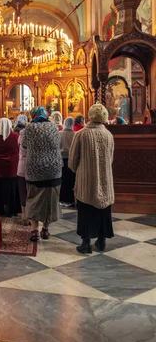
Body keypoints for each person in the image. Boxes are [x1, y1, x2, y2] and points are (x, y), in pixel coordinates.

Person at [69, 103, 115, 254]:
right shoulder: (108, 135)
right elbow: (110, 158)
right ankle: (102, 240)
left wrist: (81, 170)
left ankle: (86, 243)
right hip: (105, 179)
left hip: (86, 180)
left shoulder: (81, 134)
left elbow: (72, 161)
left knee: (86, 209)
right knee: (103, 209)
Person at [24, 107, 63, 241]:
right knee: (50, 199)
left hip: (35, 168)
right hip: (54, 168)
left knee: (33, 197)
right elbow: (58, 142)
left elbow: (24, 145)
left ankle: (34, 230)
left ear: (33, 115)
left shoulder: (29, 128)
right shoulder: (53, 127)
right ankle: (45, 229)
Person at [0, 118, 21, 217]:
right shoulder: (16, 136)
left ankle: (0, 208)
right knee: (12, 188)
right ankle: (13, 209)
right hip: (12, 167)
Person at [59, 117, 76, 207]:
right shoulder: (75, 134)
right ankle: (71, 199)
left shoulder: (59, 134)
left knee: (63, 180)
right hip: (72, 160)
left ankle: (62, 199)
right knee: (71, 180)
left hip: (62, 160)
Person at [16, 115, 30, 225]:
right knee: (31, 191)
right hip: (32, 167)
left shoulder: (20, 137)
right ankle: (30, 215)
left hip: (21, 167)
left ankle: (24, 214)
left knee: (22, 191)